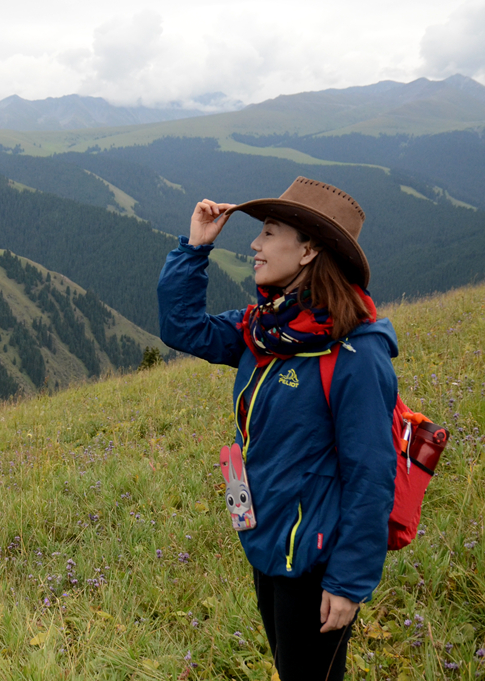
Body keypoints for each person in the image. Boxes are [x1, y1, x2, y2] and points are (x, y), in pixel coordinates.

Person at [156, 177, 398, 681]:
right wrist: (196, 247)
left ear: (308, 249)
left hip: (313, 564)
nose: (254, 244)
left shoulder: (355, 354)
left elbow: (372, 475)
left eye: (268, 233)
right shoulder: (265, 330)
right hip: (268, 542)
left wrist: (349, 583)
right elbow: (183, 328)